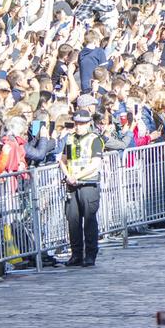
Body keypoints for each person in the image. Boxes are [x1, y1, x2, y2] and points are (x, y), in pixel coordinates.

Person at [58, 109, 103, 266]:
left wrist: (78, 176)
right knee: (73, 221)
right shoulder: (71, 139)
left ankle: (90, 254)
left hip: (88, 184)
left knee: (89, 221)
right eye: (76, 123)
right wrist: (68, 176)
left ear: (88, 123)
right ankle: (76, 254)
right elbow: (64, 160)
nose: (78, 126)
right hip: (73, 185)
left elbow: (95, 164)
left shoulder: (94, 139)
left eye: (82, 123)